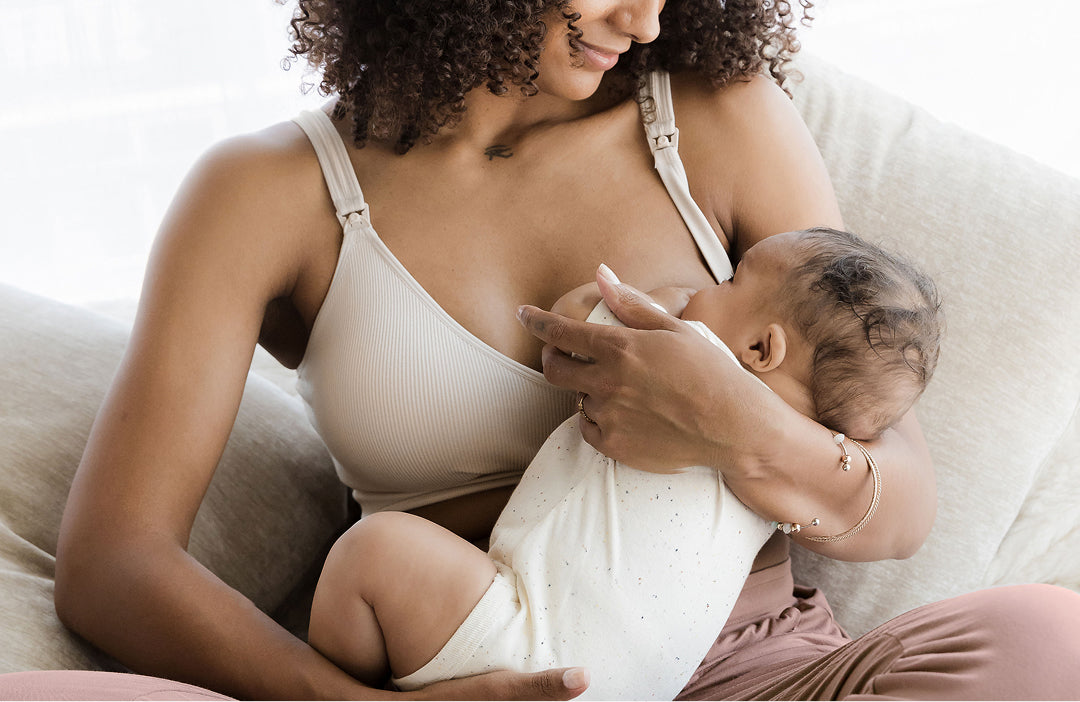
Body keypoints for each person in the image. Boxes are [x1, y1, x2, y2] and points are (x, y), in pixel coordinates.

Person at [51, 0, 1080, 699]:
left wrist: (744, 430)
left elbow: (903, 501)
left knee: (1048, 640)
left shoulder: (712, 116)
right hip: (492, 665)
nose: (646, 20)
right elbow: (114, 562)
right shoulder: (266, 194)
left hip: (762, 671)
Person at [306, 226, 944, 699]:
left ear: (760, 347)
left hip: (528, 641)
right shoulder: (784, 491)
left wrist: (660, 302)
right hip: (638, 687)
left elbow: (580, 313)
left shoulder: (685, 351)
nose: (702, 290)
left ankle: (352, 684)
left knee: (372, 552)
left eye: (727, 282)